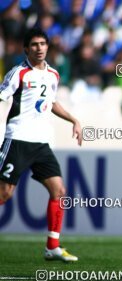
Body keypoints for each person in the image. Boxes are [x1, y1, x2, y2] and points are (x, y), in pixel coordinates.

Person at [0, 27, 83, 262]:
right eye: (34, 45)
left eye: (42, 44)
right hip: (18, 139)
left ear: (48, 47)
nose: (39, 48)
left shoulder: (53, 75)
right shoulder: (18, 73)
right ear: (26, 49)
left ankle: (52, 247)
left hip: (41, 143)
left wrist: (74, 119)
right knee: (4, 194)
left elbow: (52, 102)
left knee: (59, 191)